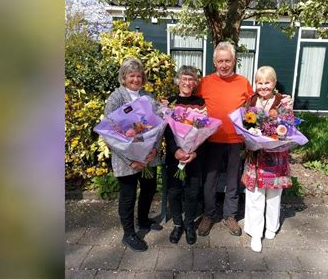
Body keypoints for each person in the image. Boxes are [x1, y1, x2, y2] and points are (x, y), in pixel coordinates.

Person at [195, 41, 254, 237]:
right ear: (214, 61)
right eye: (220, 61)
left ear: (234, 60)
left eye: (227, 60)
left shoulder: (243, 82)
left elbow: (256, 107)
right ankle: (209, 214)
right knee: (209, 180)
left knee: (233, 180)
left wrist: (280, 102)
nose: (224, 64)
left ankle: (230, 215)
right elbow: (192, 106)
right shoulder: (205, 82)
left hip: (235, 140)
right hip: (211, 140)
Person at [104, 57, 163, 252]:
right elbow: (110, 131)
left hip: (148, 157)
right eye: (132, 76)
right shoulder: (116, 98)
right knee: (128, 195)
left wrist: (153, 149)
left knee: (148, 189)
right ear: (124, 77)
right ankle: (128, 234)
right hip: (127, 159)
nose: (136, 79)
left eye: (139, 76)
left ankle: (144, 220)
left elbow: (159, 124)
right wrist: (131, 160)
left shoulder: (148, 97)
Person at [241, 66, 294, 252]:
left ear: (274, 82)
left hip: (276, 156)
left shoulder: (283, 102)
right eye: (259, 82)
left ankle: (271, 226)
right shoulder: (250, 101)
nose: (263, 86)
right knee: (255, 194)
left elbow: (289, 126)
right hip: (255, 156)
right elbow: (244, 125)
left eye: (267, 82)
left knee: (273, 194)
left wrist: (278, 133)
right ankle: (255, 232)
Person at [164, 65, 207, 245]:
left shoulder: (200, 103)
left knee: (192, 191)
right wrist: (176, 150)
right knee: (173, 191)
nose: (187, 82)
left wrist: (194, 152)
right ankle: (177, 224)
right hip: (175, 156)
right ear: (178, 81)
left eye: (191, 79)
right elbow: (166, 130)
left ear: (195, 82)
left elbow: (205, 131)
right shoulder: (169, 102)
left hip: (194, 156)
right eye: (184, 79)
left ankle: (189, 224)